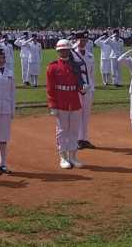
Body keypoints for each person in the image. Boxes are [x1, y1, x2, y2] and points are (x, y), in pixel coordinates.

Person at [47, 39, 85, 169]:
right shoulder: (53, 67)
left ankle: (73, 156)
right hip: (61, 102)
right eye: (61, 50)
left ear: (70, 50)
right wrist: (52, 105)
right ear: (58, 51)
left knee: (74, 130)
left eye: (66, 50)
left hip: (74, 101)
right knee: (62, 131)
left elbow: (79, 82)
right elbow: (50, 88)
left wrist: (82, 88)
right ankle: (63, 157)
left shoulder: (76, 66)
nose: (64, 52)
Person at [72, 32, 97, 149]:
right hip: (77, 88)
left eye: (85, 40)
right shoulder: (72, 55)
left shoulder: (90, 55)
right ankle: (77, 139)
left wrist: (92, 87)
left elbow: (92, 73)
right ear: (76, 40)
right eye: (81, 40)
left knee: (86, 114)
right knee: (77, 113)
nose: (83, 42)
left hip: (88, 88)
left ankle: (84, 138)